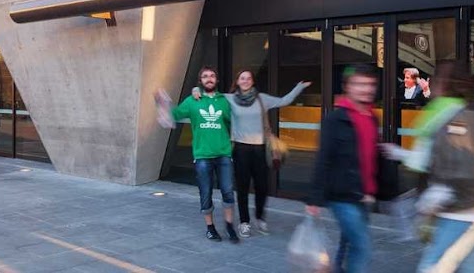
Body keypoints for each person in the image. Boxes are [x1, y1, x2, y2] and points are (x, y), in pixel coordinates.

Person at [193, 70, 310, 237]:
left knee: (262, 186)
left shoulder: (262, 98)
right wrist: (195, 90)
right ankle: (244, 222)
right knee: (242, 187)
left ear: (252, 81)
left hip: (260, 148)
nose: (246, 81)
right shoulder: (230, 99)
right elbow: (208, 94)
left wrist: (299, 87)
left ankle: (260, 218)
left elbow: (285, 100)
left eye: (249, 78)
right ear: (238, 82)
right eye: (242, 78)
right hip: (240, 149)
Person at [412, 64, 474, 273]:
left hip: (462, 208)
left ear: (444, 85)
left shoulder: (456, 116)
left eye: (436, 82)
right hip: (472, 207)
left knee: (432, 265)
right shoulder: (469, 112)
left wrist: (438, 196)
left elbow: (462, 165)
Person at [307, 64, 381, 273]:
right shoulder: (334, 120)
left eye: (370, 84)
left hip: (363, 195)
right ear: (347, 87)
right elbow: (323, 158)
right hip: (341, 195)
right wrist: (314, 198)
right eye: (359, 84)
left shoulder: (373, 117)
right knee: (362, 247)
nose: (366, 89)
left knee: (348, 243)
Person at [155, 66, 240, 243]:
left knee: (228, 192)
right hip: (202, 155)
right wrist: (161, 102)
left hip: (224, 154)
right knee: (205, 192)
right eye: (205, 76)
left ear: (216, 80)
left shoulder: (224, 100)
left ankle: (230, 227)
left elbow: (232, 123)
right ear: (200, 81)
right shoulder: (192, 101)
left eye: (212, 76)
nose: (209, 79)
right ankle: (210, 228)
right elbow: (174, 114)